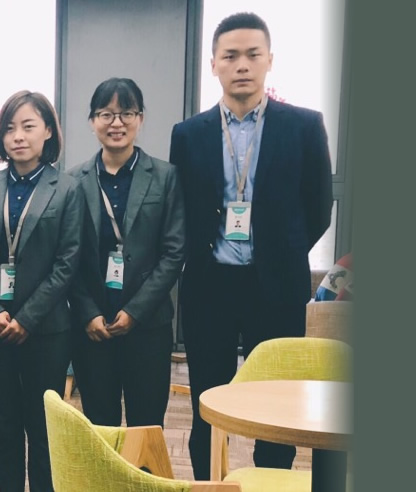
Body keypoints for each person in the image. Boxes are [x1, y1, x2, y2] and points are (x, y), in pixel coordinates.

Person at [169, 12, 333, 479]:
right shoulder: (189, 134)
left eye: (252, 54)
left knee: (276, 408)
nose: (241, 65)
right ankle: (209, 485)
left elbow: (318, 207)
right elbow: (183, 209)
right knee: (207, 404)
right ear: (214, 65)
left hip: (276, 287)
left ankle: (269, 483)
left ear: (269, 60)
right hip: (210, 287)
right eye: (230, 56)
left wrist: (281, 251)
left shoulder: (304, 126)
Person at [0, 90, 83, 492]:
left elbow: (67, 262)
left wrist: (27, 318)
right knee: (5, 427)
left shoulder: (67, 188)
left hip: (46, 330)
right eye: (10, 128)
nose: (18, 136)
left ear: (48, 131)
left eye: (28, 126)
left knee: (43, 427)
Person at [67, 78, 185, 429]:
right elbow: (67, 256)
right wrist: (87, 312)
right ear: (92, 121)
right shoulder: (73, 181)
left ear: (140, 119)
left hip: (148, 325)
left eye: (126, 113)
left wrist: (135, 311)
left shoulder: (165, 177)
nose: (116, 123)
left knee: (145, 428)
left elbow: (174, 252)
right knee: (99, 425)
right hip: (93, 327)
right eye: (106, 114)